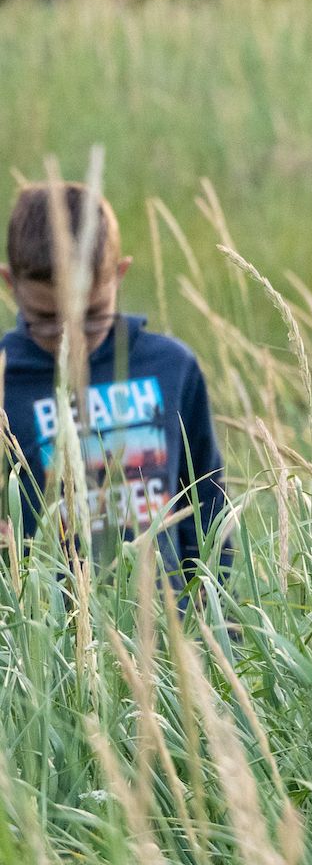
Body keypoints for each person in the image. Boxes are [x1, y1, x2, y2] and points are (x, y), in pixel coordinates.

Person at [1, 183, 232, 592]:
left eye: (90, 316)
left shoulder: (170, 368)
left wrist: (220, 627)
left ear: (119, 275)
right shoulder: (5, 378)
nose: (70, 338)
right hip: (42, 644)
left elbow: (209, 508)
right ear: (9, 285)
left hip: (165, 640)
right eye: (47, 318)